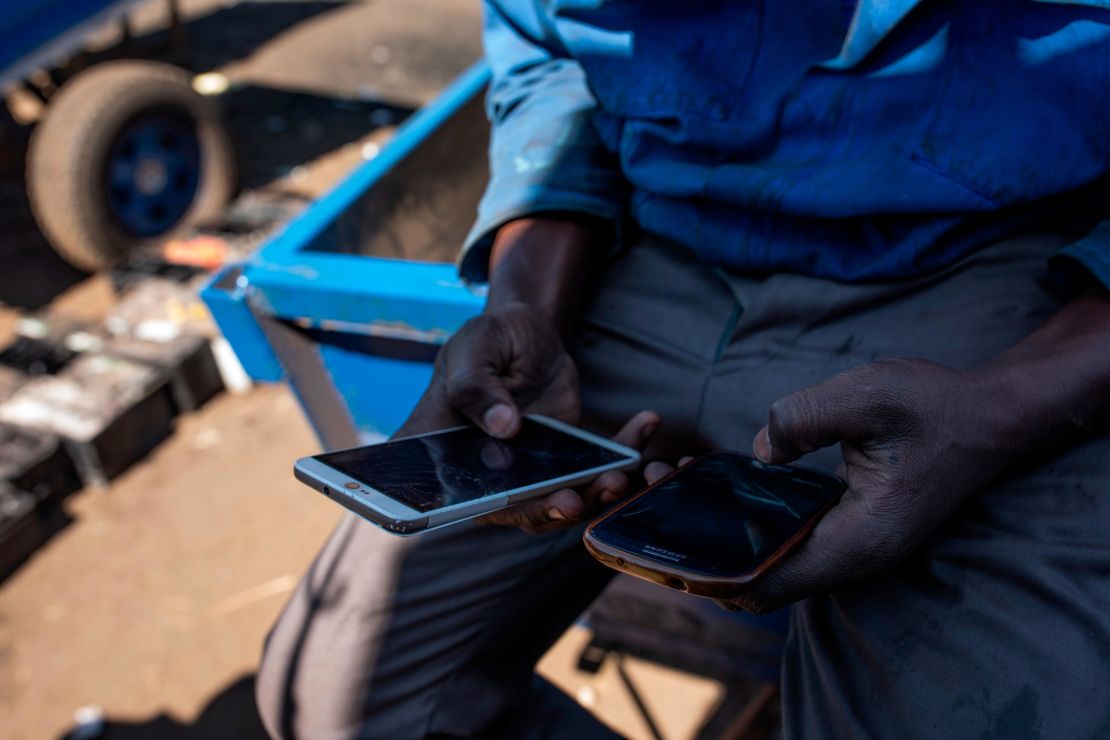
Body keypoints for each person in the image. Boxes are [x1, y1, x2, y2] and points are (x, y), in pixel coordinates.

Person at [256, 1, 1110, 737]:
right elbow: (549, 52)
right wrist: (529, 305)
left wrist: (1007, 406)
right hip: (655, 257)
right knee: (333, 699)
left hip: (987, 279)